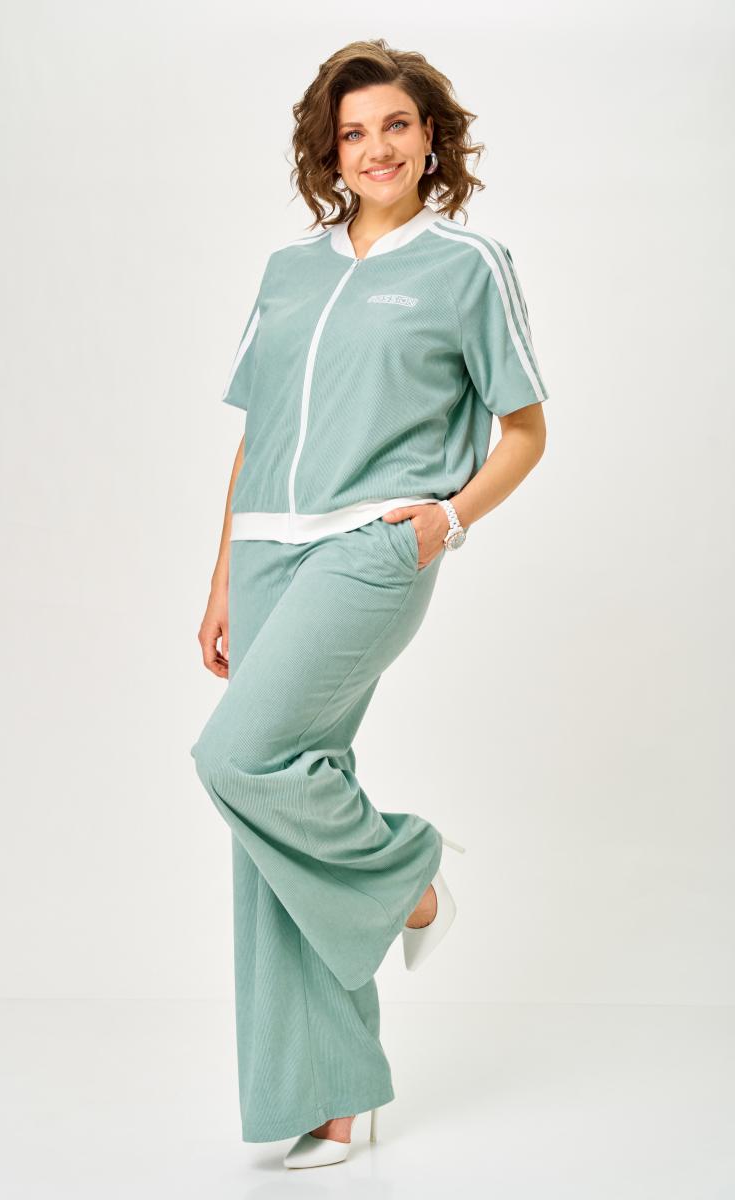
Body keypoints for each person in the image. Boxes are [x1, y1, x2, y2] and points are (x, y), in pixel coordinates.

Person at [189, 37, 548, 1168]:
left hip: (374, 544)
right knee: (277, 807)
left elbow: (524, 430)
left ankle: (408, 876)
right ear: (329, 153)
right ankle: (337, 1094)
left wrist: (447, 520)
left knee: (236, 758)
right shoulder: (287, 269)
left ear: (430, 137)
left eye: (395, 125)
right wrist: (220, 578)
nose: (375, 148)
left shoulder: (467, 264)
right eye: (352, 133)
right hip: (265, 552)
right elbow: (258, 435)